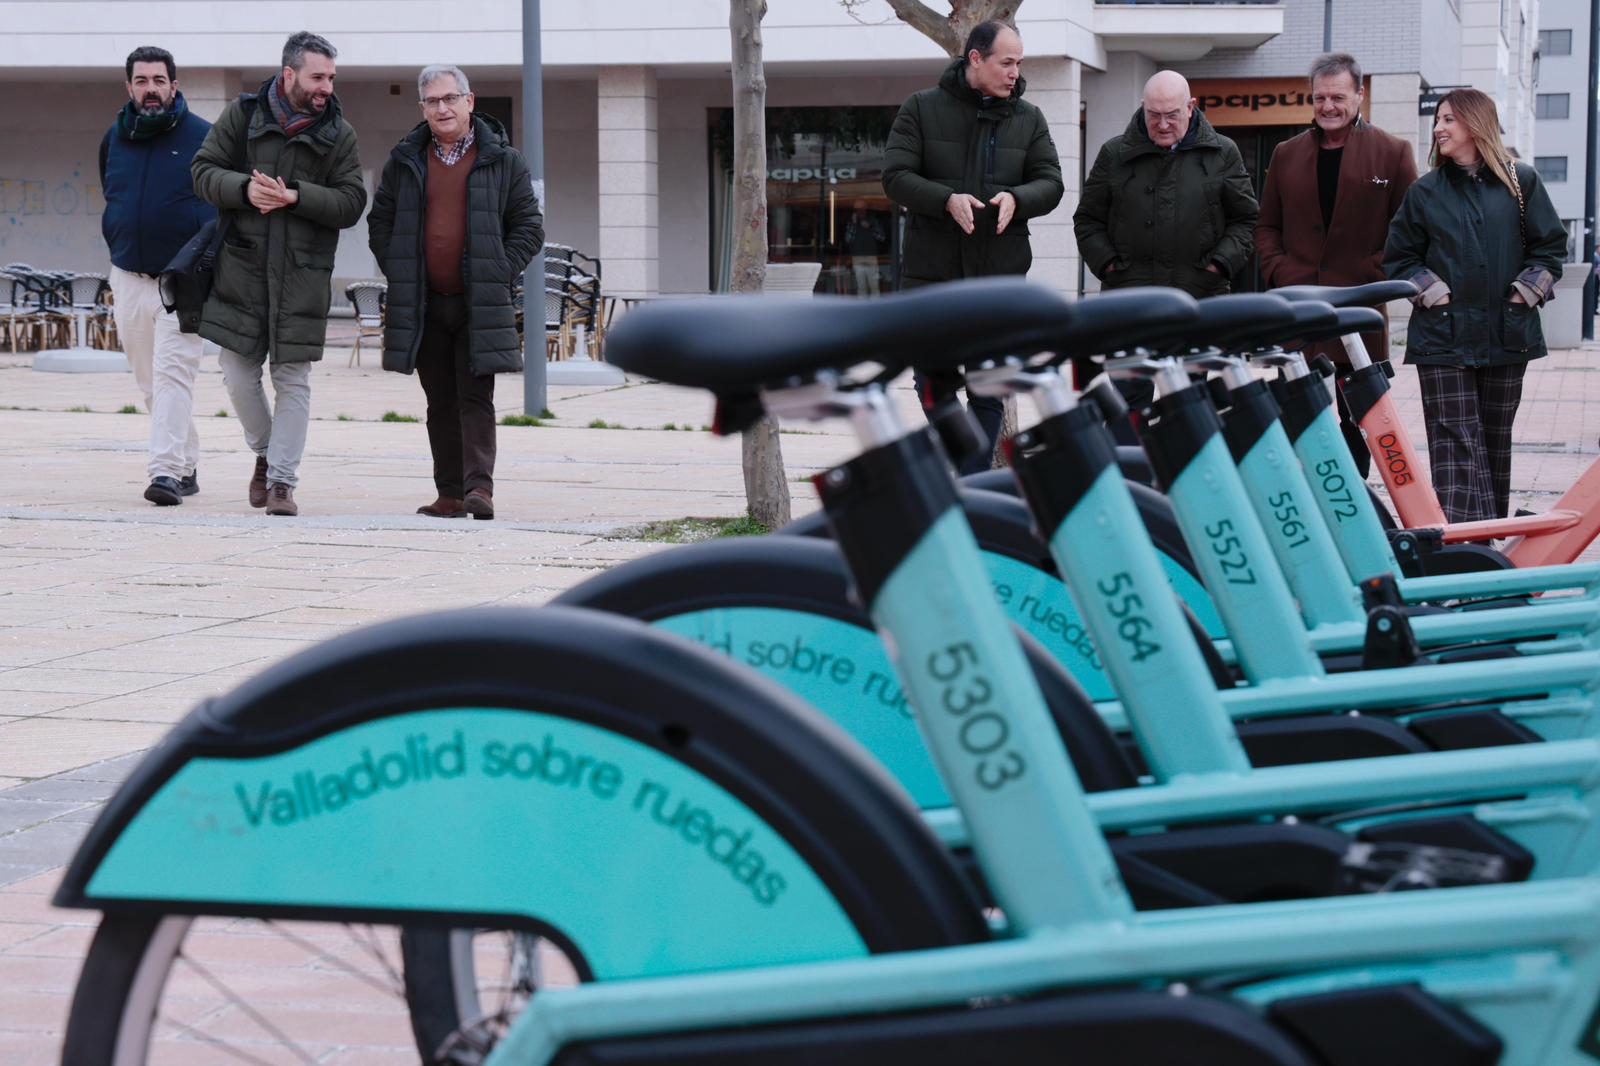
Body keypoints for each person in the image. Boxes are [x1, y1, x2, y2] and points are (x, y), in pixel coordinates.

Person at [191, 30, 366, 517]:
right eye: (317, 76)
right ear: (289, 74)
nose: (326, 86)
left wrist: (297, 197)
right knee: (236, 375)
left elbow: (353, 202)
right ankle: (266, 453)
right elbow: (202, 171)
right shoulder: (242, 116)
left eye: (331, 76)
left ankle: (283, 483)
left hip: (302, 276)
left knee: (292, 379)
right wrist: (246, 189)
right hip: (240, 272)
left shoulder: (339, 133)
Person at [883, 19, 1063, 474]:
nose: (1015, 73)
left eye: (1019, 63)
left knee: (989, 388)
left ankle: (971, 477)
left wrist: (1018, 198)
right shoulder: (920, 109)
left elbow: (1052, 183)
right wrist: (944, 199)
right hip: (932, 276)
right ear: (976, 59)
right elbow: (895, 177)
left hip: (998, 278)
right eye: (1007, 62)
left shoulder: (1030, 118)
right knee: (932, 382)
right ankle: (968, 469)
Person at [368, 64, 544, 520]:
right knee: (439, 400)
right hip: (425, 302)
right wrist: (401, 268)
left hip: (477, 301)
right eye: (432, 101)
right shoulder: (405, 160)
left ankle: (478, 489)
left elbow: (528, 226)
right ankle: (448, 494)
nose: (442, 108)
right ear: (422, 108)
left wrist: (499, 269)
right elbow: (380, 222)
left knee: (475, 396)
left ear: (470, 101)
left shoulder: (504, 160)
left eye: (450, 98)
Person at [1383, 88, 1566, 523]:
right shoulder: (1424, 193)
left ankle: (1487, 541)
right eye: (1438, 119)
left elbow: (1550, 249)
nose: (1438, 127)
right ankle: (1466, 545)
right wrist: (1433, 291)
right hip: (1442, 337)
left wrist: (1525, 291)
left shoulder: (1522, 183)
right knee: (1454, 441)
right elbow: (1399, 258)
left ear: (1474, 123)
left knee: (1493, 442)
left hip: (1508, 332)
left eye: (1448, 120)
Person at [1256, 53, 1418, 477]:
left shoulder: (1393, 152)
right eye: (1320, 97)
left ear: (1360, 95)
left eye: (1338, 97)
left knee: (1360, 422)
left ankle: (1358, 501)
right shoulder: (1287, 154)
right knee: (1298, 417)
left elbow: (1411, 231)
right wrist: (1280, 271)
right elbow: (1267, 225)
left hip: (1359, 311)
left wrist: (1374, 275)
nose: (1328, 106)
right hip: (1297, 309)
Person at [99, 45, 214, 507]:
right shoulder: (115, 137)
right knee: (149, 380)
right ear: (129, 87)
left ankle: (164, 472)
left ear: (174, 85)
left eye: (159, 81)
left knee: (173, 376)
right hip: (127, 275)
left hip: (181, 282)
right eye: (142, 81)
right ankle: (185, 463)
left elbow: (219, 209)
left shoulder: (204, 137)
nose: (151, 90)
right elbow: (113, 194)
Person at [1075, 70, 1258, 298]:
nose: (1163, 125)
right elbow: (1088, 220)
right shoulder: (1114, 154)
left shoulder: (1223, 153)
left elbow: (1245, 219)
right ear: (1143, 107)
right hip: (1128, 298)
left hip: (1201, 296)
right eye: (1153, 114)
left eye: (1172, 115)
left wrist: (1219, 265)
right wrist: (1108, 265)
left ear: (1190, 107)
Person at [843, 199, 885, 296]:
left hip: (871, 258)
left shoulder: (873, 220)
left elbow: (882, 237)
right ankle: (863, 310)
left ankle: (876, 309)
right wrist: (853, 224)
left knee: (874, 287)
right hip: (858, 259)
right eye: (857, 209)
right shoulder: (851, 223)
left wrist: (870, 227)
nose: (859, 211)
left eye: (861, 209)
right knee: (861, 288)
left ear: (865, 209)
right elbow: (848, 239)